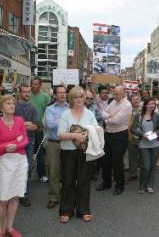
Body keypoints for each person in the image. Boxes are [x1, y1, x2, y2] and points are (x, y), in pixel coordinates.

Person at [57, 87, 99, 223]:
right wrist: (75, 135)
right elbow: (60, 134)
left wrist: (86, 135)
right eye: (76, 97)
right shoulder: (65, 114)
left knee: (83, 181)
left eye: (81, 97)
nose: (79, 100)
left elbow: (97, 131)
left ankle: (83, 210)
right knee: (68, 181)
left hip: (85, 151)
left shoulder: (90, 114)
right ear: (71, 99)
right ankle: (66, 211)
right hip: (68, 152)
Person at [0, 95, 29, 237]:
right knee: (4, 198)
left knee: (16, 196)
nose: (12, 105)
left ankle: (10, 227)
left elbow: (25, 141)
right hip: (6, 161)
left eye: (13, 103)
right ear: (1, 107)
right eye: (8, 103)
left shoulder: (19, 120)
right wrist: (9, 145)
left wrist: (16, 144)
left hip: (21, 160)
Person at [97, 86, 132, 195]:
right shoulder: (112, 102)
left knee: (117, 161)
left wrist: (108, 118)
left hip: (120, 135)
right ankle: (106, 183)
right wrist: (109, 117)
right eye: (113, 93)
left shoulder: (127, 105)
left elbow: (116, 120)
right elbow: (102, 113)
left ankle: (119, 185)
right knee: (106, 160)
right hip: (109, 134)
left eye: (116, 94)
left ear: (123, 93)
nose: (113, 95)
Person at [132, 98, 159, 194]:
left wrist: (155, 133)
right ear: (145, 105)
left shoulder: (156, 116)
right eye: (150, 103)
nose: (152, 105)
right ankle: (142, 185)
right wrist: (143, 134)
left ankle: (150, 185)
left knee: (152, 166)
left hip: (155, 144)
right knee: (145, 166)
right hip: (143, 144)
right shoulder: (138, 116)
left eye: (154, 104)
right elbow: (133, 129)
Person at [14, 84, 40, 207]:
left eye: (29, 91)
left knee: (27, 167)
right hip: (14, 142)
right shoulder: (13, 107)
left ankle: (23, 193)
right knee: (13, 167)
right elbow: (9, 125)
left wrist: (20, 125)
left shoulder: (33, 108)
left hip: (29, 140)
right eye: (24, 91)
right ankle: (12, 192)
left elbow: (35, 126)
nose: (27, 94)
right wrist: (26, 124)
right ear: (20, 92)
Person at [43, 85, 69, 209]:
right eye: (60, 92)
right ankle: (53, 197)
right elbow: (51, 125)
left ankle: (67, 196)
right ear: (55, 95)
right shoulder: (49, 109)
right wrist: (64, 120)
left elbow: (74, 124)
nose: (63, 95)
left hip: (68, 143)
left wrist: (59, 120)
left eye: (64, 92)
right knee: (53, 172)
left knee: (68, 171)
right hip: (53, 143)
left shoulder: (71, 108)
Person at [30, 77, 50, 183]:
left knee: (40, 154)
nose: (34, 86)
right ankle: (27, 174)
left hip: (40, 130)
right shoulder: (27, 96)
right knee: (28, 153)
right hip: (27, 130)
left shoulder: (46, 97)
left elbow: (48, 113)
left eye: (36, 84)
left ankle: (42, 174)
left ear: (40, 85)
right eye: (33, 84)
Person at [126, 94, 142, 181]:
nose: (136, 101)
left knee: (143, 157)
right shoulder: (128, 111)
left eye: (137, 99)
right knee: (132, 157)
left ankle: (144, 174)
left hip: (142, 137)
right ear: (131, 101)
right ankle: (133, 174)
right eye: (134, 99)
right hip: (131, 137)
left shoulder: (144, 110)